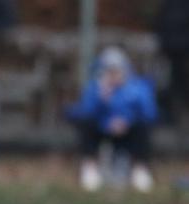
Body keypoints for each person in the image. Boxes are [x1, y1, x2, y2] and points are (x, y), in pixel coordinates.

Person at [67, 47, 158, 193]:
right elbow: (83, 112)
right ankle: (90, 168)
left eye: (116, 70)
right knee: (87, 125)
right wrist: (101, 100)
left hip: (129, 130)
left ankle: (140, 170)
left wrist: (127, 121)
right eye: (109, 70)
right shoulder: (95, 88)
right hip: (103, 131)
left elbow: (150, 113)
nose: (113, 74)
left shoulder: (138, 87)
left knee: (143, 128)